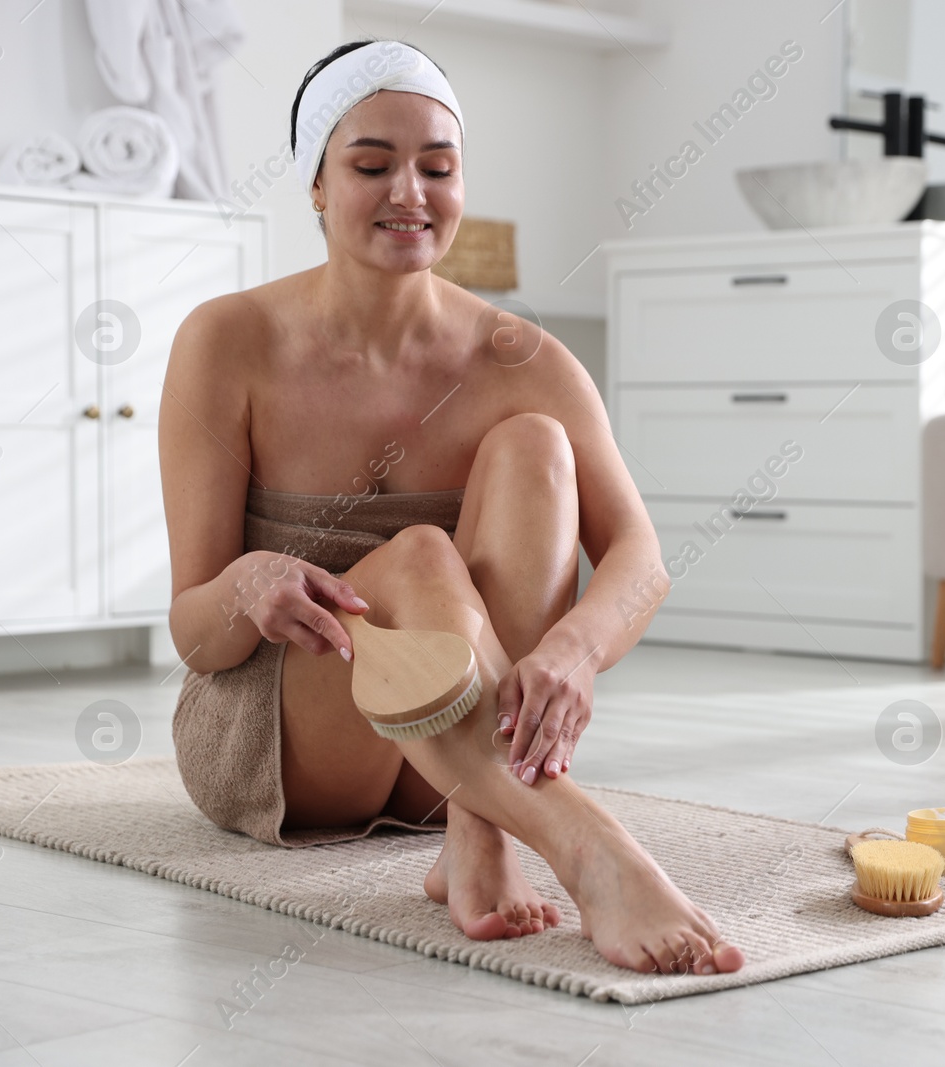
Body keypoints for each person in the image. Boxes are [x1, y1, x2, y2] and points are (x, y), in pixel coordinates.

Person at [160, 38, 743, 977]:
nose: (410, 194)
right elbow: (193, 632)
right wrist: (246, 582)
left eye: (438, 166)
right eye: (371, 165)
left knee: (536, 447)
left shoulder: (522, 356)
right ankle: (589, 845)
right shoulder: (228, 341)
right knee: (420, 555)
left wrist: (573, 647)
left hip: (447, 751)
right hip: (286, 742)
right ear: (314, 184)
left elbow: (640, 554)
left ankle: (479, 825)